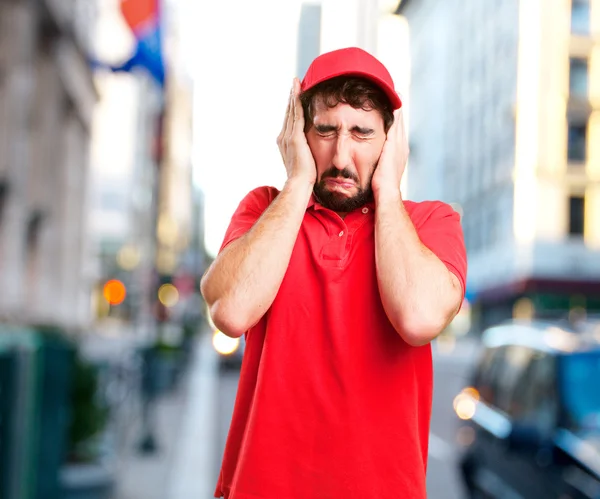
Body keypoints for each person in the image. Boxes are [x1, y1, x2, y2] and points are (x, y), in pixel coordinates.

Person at [201, 47, 467, 499]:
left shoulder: (430, 223)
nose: (341, 156)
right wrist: (298, 182)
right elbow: (231, 311)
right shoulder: (265, 209)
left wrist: (387, 189)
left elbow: (418, 318)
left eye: (362, 133)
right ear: (298, 134)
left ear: (391, 140)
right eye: (325, 130)